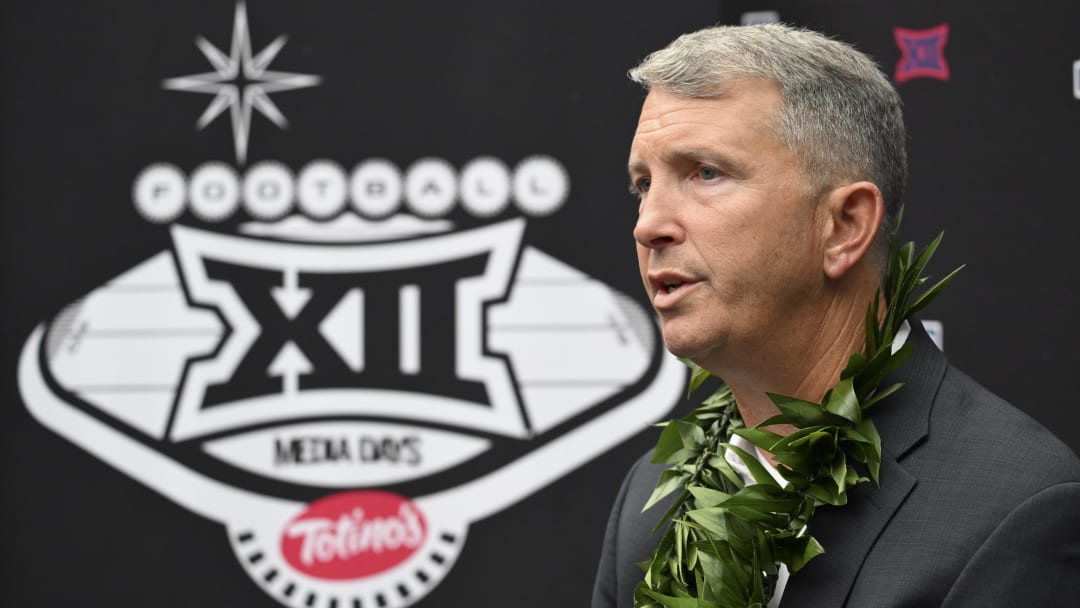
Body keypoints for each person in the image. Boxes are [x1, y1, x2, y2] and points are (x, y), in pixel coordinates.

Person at [592, 23, 1080, 608]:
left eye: (706, 172)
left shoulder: (1013, 507)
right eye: (642, 184)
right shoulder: (651, 494)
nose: (648, 224)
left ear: (844, 226)